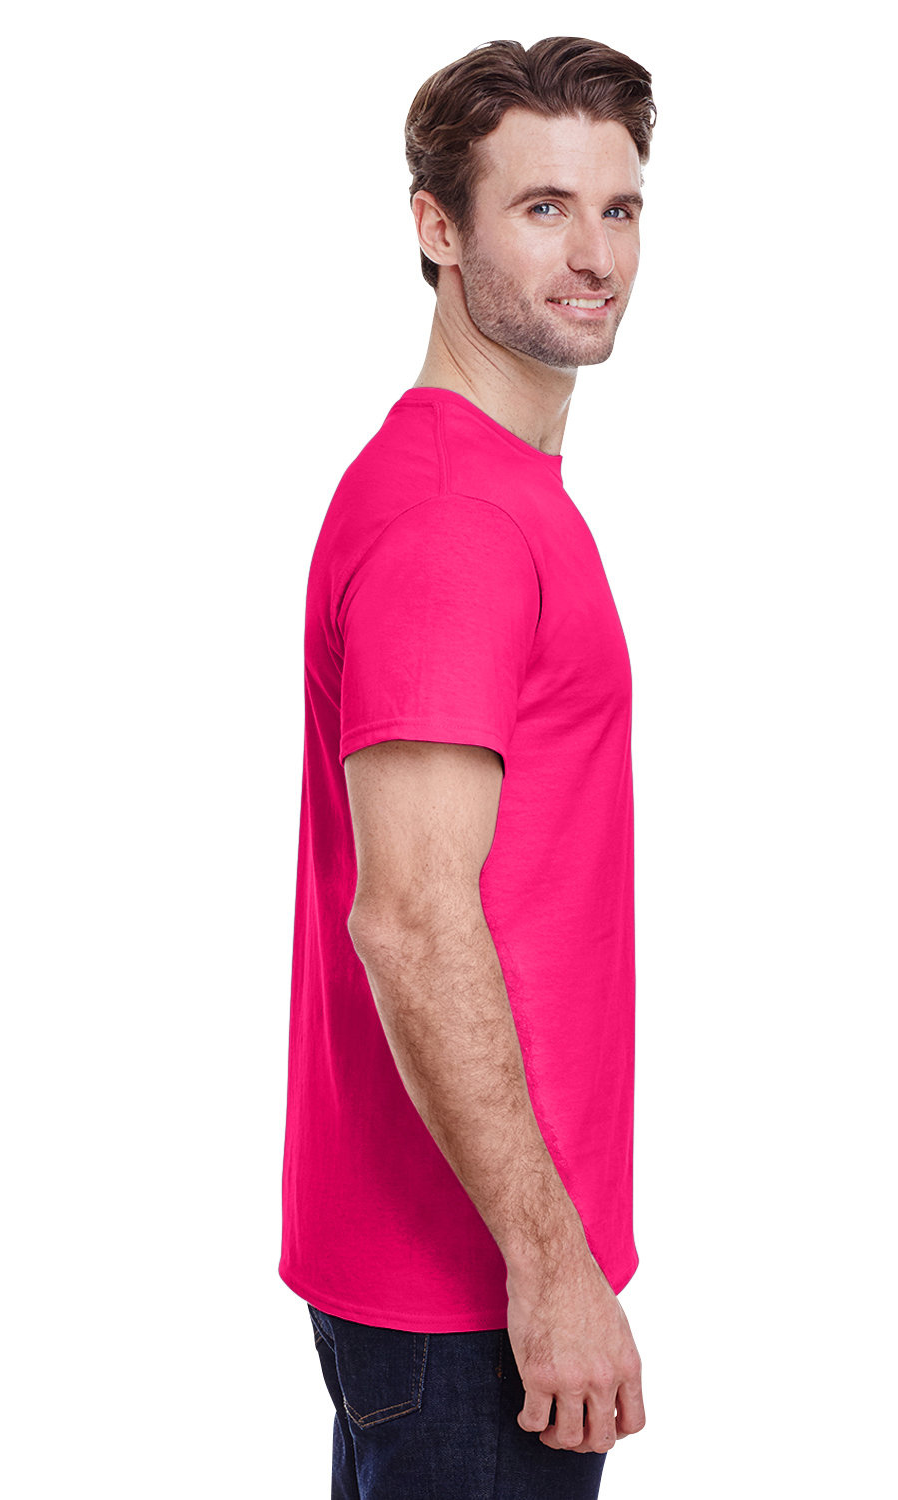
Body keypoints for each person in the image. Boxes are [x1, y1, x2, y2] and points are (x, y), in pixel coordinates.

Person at [279, 35, 656, 1499]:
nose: (595, 255)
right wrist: (552, 1266)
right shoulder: (453, 522)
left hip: (458, 1279)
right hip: (470, 1296)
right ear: (437, 227)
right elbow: (412, 918)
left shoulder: (492, 487)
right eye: (543, 208)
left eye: (618, 208)